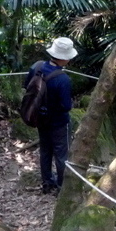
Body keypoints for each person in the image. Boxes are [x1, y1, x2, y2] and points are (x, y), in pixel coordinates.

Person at [24, 37, 78, 195]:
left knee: (45, 151)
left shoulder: (37, 67)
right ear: (65, 58)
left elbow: (27, 87)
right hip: (59, 123)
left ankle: (47, 183)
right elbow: (66, 106)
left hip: (40, 118)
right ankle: (61, 187)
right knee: (61, 154)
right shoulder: (63, 79)